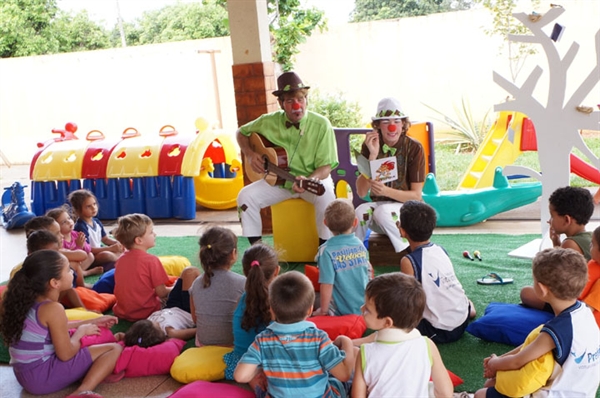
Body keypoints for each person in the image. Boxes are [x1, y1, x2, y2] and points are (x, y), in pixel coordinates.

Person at [475, 248, 600, 398]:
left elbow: (517, 362)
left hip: (556, 394)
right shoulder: (584, 312)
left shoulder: (557, 330)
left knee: (480, 394)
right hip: (584, 393)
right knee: (492, 384)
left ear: (541, 289)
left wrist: (494, 364)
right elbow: (531, 347)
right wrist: (500, 360)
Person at [0, 250, 123, 397]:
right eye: (68, 270)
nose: (72, 271)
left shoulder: (28, 301)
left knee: (82, 336)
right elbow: (66, 354)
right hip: (41, 379)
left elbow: (55, 330)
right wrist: (81, 332)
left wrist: (94, 321)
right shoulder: (53, 309)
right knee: (114, 348)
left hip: (25, 376)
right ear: (54, 282)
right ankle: (80, 392)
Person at [236, 71, 338, 246]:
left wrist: (309, 179)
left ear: (307, 100)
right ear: (281, 104)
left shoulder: (322, 125)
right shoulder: (267, 121)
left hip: (311, 180)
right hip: (279, 183)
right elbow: (241, 132)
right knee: (245, 196)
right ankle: (258, 250)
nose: (296, 105)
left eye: (300, 99)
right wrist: (250, 154)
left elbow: (326, 167)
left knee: (326, 195)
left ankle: (324, 249)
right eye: (290, 101)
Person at [234, 271, 355, 398]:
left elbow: (240, 376)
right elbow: (344, 374)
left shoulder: (262, 340)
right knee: (337, 381)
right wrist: (346, 341)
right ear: (310, 310)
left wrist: (261, 368)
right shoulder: (318, 338)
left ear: (272, 310)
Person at [351, 272, 453, 397]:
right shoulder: (427, 345)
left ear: (387, 322)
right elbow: (445, 393)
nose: (361, 308)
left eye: (367, 309)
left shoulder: (365, 352)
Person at [354, 97, 426, 253]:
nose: (392, 127)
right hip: (381, 214)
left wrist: (385, 191)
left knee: (383, 212)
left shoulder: (414, 148)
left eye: (397, 121)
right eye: (386, 122)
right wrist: (372, 157)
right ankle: (356, 255)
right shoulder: (370, 145)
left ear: (403, 124)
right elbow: (360, 192)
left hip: (407, 213)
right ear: (378, 126)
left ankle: (413, 253)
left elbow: (416, 196)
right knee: (360, 212)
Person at [399, 200, 475, 344]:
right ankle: (467, 308)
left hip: (439, 331)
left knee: (397, 320)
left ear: (402, 231)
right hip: (462, 321)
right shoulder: (441, 250)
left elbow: (408, 302)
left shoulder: (408, 261)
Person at [521, 186, 594, 309]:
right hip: (584, 296)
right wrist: (556, 241)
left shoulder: (570, 244)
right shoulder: (591, 237)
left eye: (552, 216)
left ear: (566, 219)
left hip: (574, 302)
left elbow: (560, 278)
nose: (550, 221)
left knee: (526, 293)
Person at [223, 243, 280, 390]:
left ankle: (254, 378)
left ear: (245, 271)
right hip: (269, 363)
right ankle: (260, 377)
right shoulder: (278, 301)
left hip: (241, 363)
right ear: (276, 271)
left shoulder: (242, 299)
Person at [312, 198, 371, 316]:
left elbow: (327, 284)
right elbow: (368, 273)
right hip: (364, 307)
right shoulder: (360, 244)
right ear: (355, 222)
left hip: (340, 311)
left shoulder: (326, 251)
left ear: (325, 223)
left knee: (310, 295)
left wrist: (323, 311)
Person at [189, 226, 246, 346]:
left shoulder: (196, 283)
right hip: (234, 344)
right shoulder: (243, 283)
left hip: (203, 343)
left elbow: (195, 320)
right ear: (233, 254)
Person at [112, 213, 171, 321]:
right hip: (147, 312)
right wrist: (174, 288)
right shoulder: (151, 260)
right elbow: (161, 293)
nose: (155, 234)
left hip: (122, 312)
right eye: (151, 232)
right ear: (139, 240)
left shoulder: (120, 259)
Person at [20, 216, 88, 288]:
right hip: (53, 290)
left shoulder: (57, 251)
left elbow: (83, 255)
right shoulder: (52, 253)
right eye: (57, 233)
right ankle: (82, 287)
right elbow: (83, 255)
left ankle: (83, 286)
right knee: (73, 264)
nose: (62, 236)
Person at [68, 189, 123, 266]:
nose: (93, 208)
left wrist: (117, 243)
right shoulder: (81, 226)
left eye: (94, 204)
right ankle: (122, 260)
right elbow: (87, 249)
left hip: (100, 250)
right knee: (106, 255)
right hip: (91, 256)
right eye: (88, 206)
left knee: (121, 248)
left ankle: (118, 259)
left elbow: (105, 239)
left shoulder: (96, 222)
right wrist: (110, 248)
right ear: (78, 210)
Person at [46, 206, 103, 277]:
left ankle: (81, 272)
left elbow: (88, 250)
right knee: (72, 263)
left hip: (80, 260)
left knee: (90, 256)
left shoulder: (75, 234)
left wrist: (83, 244)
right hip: (69, 265)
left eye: (69, 218)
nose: (69, 222)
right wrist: (79, 246)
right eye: (64, 222)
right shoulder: (59, 240)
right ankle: (84, 273)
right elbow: (69, 258)